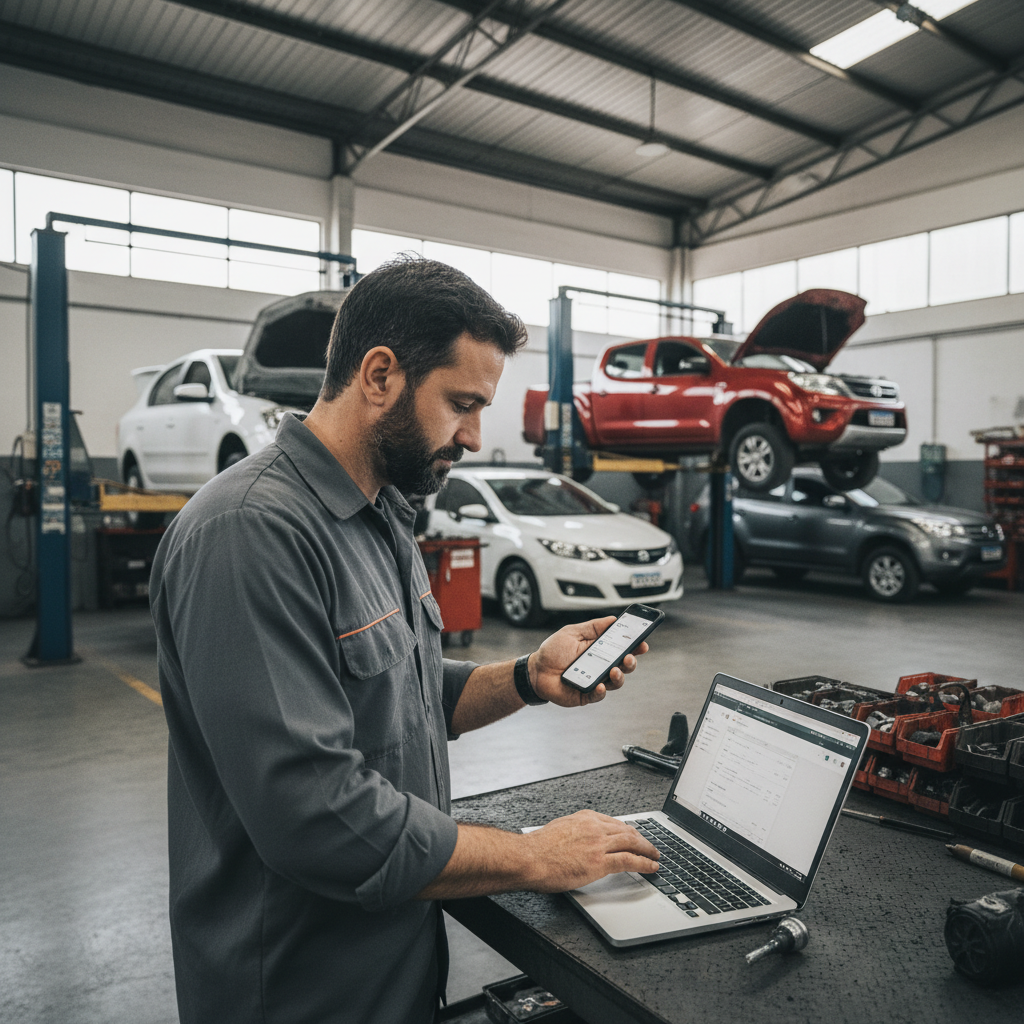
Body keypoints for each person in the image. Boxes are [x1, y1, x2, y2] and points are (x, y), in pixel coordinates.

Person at [150, 257, 660, 1024]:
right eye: (462, 403)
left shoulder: (382, 512)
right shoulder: (249, 532)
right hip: (297, 992)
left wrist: (527, 676)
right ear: (380, 375)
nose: (477, 436)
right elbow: (314, 817)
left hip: (396, 972)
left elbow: (409, 694)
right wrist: (535, 858)